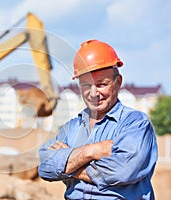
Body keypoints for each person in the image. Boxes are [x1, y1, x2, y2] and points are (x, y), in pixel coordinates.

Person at [38, 39, 158, 199]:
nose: (94, 93)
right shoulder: (72, 127)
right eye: (86, 85)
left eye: (101, 84)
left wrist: (68, 163)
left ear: (118, 82)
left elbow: (122, 171)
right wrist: (90, 151)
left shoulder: (135, 124)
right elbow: (45, 166)